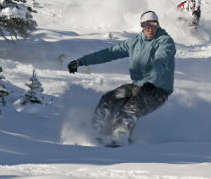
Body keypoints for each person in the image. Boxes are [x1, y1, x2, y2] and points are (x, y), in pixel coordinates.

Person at [66, 10, 175, 146]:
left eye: (153, 25)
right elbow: (109, 53)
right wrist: (81, 61)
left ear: (157, 25)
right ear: (141, 26)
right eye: (146, 25)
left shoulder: (165, 42)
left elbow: (160, 61)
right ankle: (97, 131)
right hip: (138, 86)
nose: (150, 29)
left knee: (130, 109)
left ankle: (119, 139)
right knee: (109, 98)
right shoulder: (134, 43)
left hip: (157, 90)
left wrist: (152, 81)